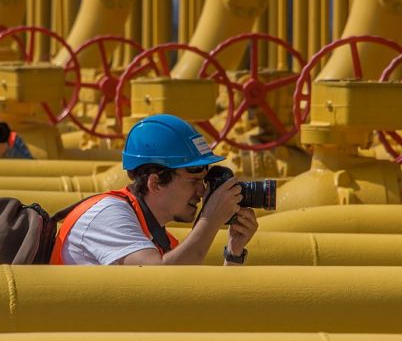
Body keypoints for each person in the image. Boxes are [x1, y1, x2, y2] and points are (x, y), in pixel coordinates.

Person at [50, 114, 258, 266]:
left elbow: (183, 300)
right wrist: (210, 220)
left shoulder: (158, 239)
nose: (202, 192)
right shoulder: (108, 214)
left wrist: (234, 252)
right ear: (155, 183)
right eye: (193, 180)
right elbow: (159, 282)